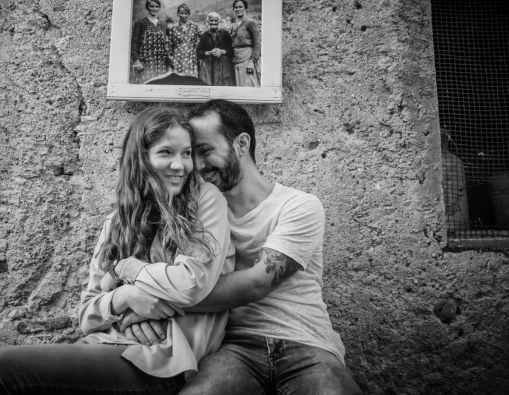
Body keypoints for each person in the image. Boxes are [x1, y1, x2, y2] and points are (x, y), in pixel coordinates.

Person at [0, 106, 234, 395]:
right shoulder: (118, 222)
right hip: (107, 344)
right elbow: (87, 315)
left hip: (162, 358)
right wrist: (125, 297)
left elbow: (191, 284)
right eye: (166, 152)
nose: (180, 166)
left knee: (3, 366)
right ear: (141, 158)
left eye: (186, 153)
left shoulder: (205, 202)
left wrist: (127, 269)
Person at [121, 100, 362, 394]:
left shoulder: (298, 206)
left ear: (241, 144)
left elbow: (256, 284)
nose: (195, 166)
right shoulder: (194, 217)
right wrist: (128, 302)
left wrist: (151, 302)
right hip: (233, 348)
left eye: (205, 151)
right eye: (191, 154)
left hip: (308, 343)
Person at [130, 0, 172, 85]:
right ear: (147, 7)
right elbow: (134, 43)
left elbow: (169, 40)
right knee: (145, 83)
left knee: (161, 84)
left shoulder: (163, 24)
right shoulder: (141, 23)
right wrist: (136, 61)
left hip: (161, 61)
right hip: (145, 61)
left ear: (159, 8)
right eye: (151, 6)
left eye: (157, 7)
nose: (154, 9)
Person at [197, 12, 235, 86]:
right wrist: (208, 52)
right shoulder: (204, 35)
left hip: (223, 67)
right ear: (208, 22)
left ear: (219, 21)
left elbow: (232, 50)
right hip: (209, 67)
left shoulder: (225, 34)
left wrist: (222, 51)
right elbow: (199, 52)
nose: (213, 22)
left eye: (216, 20)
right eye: (211, 20)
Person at [230, 0, 261, 87]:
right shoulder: (235, 25)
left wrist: (251, 61)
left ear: (245, 9)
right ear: (233, 9)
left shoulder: (251, 23)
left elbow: (257, 43)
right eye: (236, 7)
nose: (238, 9)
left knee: (248, 85)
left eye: (241, 7)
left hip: (247, 58)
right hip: (237, 59)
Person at [168, 3, 200, 77]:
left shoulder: (194, 26)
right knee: (179, 79)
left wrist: (197, 56)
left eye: (186, 13)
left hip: (191, 57)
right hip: (178, 58)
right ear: (178, 13)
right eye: (181, 13)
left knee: (191, 79)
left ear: (189, 14)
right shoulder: (173, 28)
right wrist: (171, 58)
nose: (183, 15)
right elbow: (169, 45)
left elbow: (197, 42)